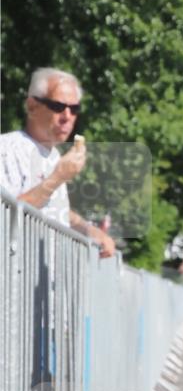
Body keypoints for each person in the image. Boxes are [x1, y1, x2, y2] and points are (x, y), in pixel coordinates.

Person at [0, 67, 116, 258]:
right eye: (57, 106)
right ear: (32, 106)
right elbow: (8, 213)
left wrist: (89, 230)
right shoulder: (7, 149)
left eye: (74, 109)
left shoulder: (53, 156)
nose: (67, 116)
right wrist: (57, 177)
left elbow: (53, 209)